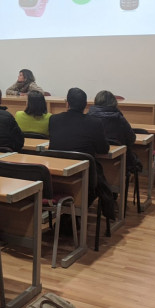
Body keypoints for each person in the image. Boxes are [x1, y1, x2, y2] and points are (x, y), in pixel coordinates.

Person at [48, 88, 115, 219]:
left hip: (57, 175)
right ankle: (74, 216)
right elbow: (103, 149)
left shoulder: (54, 119)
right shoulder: (94, 123)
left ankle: (69, 217)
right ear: (86, 105)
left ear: (67, 103)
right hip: (83, 177)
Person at [87, 90, 139, 176]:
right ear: (114, 103)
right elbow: (131, 138)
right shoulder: (119, 118)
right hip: (119, 163)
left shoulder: (88, 117)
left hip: (94, 166)